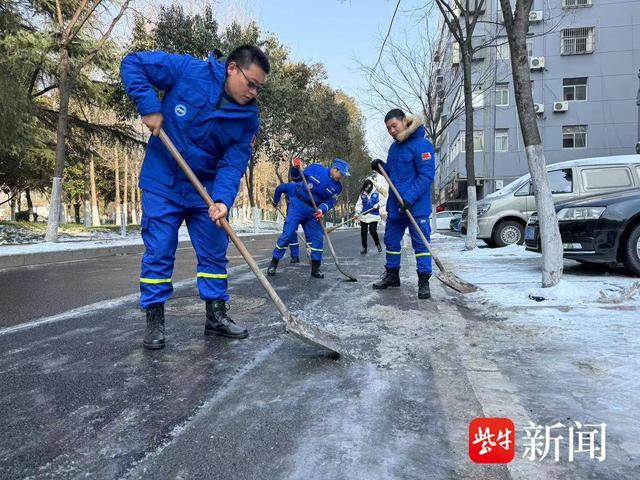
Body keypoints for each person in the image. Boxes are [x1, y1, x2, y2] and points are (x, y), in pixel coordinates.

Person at [120, 44, 270, 350]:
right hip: (164, 179)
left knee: (215, 250)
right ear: (232, 68)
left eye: (259, 88)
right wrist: (149, 105)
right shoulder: (189, 71)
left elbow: (233, 162)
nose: (253, 92)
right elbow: (133, 63)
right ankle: (155, 319)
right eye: (250, 83)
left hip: (206, 188)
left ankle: (215, 316)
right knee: (159, 249)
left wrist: (223, 200)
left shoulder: (247, 119)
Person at [371, 109, 435, 299]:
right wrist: (381, 167)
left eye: (394, 126)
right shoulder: (394, 148)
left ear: (405, 122)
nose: (391, 130)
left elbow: (426, 176)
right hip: (396, 206)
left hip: (416, 206)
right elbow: (393, 175)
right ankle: (392, 276)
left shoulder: (422, 145)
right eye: (388, 128)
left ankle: (423, 281)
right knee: (391, 241)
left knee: (421, 244)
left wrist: (409, 198)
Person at [267, 157, 350, 279]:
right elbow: (296, 178)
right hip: (298, 205)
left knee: (317, 239)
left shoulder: (338, 187)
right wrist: (295, 168)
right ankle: (274, 262)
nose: (341, 177)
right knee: (288, 234)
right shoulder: (315, 169)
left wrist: (322, 209)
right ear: (334, 169)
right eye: (341, 174)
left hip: (314, 211)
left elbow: (330, 201)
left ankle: (315, 268)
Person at [272, 182, 309, 263]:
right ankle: (296, 256)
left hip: (305, 213)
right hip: (294, 213)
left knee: (309, 235)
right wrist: (275, 201)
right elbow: (279, 189)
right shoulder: (291, 186)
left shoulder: (310, 186)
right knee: (291, 234)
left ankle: (310, 257)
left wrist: (275, 201)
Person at [355, 178, 385, 255]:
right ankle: (364, 248)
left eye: (368, 187)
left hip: (373, 216)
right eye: (365, 187)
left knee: (372, 231)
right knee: (363, 232)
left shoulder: (376, 192)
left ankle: (377, 244)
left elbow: (383, 200)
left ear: (371, 186)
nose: (367, 188)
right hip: (364, 216)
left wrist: (378, 205)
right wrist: (357, 213)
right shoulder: (362, 194)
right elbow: (359, 205)